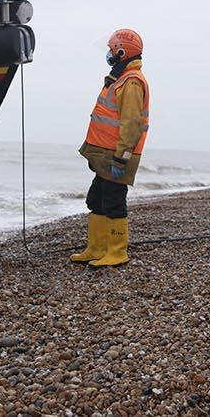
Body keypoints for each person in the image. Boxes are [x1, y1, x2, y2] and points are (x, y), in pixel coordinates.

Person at [71, 29, 150, 268]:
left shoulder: (132, 81)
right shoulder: (120, 78)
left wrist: (122, 158)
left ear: (121, 52)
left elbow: (131, 124)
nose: (108, 53)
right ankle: (96, 248)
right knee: (96, 199)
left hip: (116, 157)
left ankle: (117, 251)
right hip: (105, 156)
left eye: (112, 49)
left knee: (114, 202)